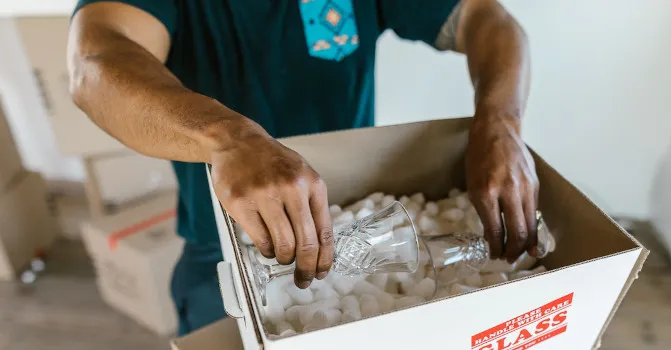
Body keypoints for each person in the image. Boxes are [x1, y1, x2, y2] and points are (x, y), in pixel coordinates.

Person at [68, 0, 539, 336]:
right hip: (222, 245)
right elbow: (96, 63)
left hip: (347, 222)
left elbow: (485, 18)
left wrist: (500, 124)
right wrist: (230, 140)